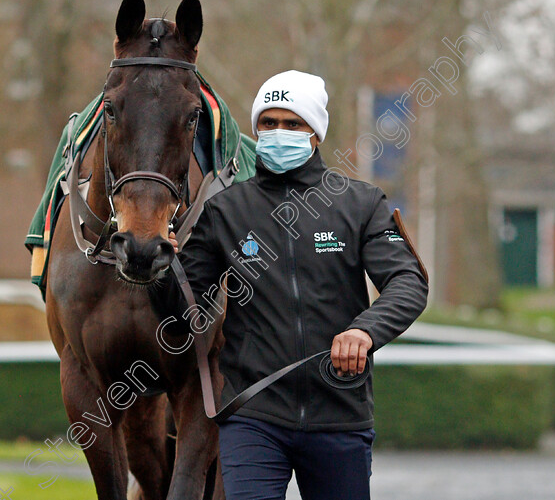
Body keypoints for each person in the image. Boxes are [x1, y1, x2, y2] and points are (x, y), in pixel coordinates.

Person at [147, 70, 429, 500]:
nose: (279, 133)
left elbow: (407, 282)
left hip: (340, 416)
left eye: (292, 123)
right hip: (252, 417)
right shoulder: (226, 210)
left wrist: (364, 331)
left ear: (315, 133)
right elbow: (182, 318)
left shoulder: (361, 203)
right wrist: (161, 271)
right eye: (268, 123)